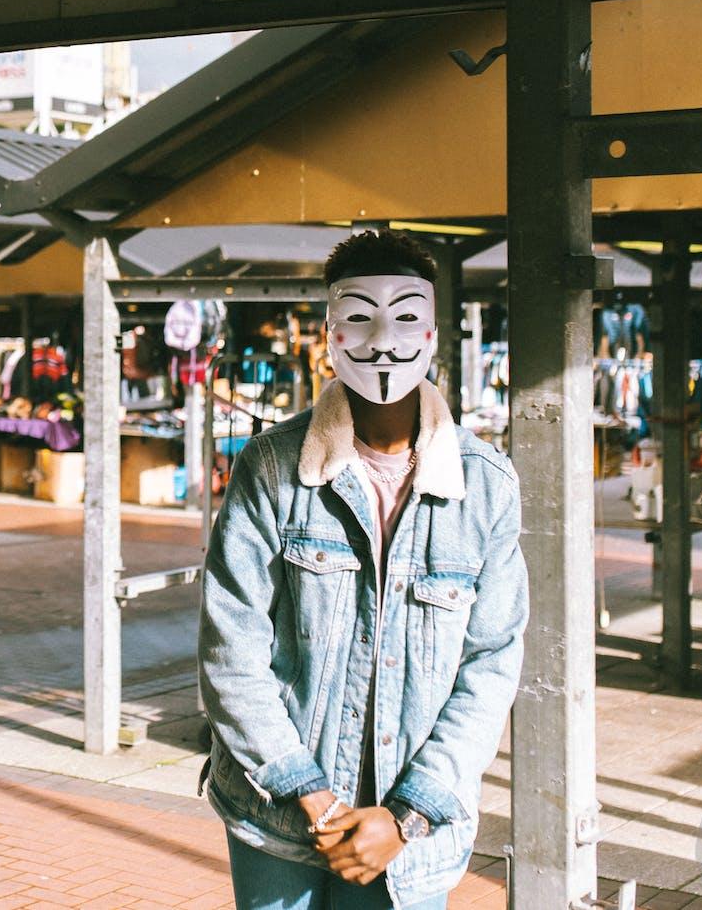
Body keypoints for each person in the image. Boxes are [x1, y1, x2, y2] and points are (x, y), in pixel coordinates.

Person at [199, 230, 527, 909]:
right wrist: (312, 796)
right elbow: (231, 647)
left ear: (433, 331)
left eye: (405, 315)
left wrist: (403, 816)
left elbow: (491, 663)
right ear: (330, 332)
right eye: (359, 316)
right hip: (276, 817)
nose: (383, 338)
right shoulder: (269, 468)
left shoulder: (487, 484)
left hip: (410, 838)